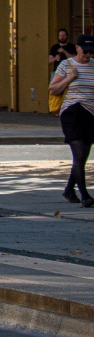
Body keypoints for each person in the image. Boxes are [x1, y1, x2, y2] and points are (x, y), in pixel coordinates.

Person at [49, 33, 94, 207]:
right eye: (85, 51)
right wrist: (70, 77)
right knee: (79, 152)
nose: (88, 55)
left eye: (91, 52)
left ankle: (69, 190)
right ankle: (85, 196)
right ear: (77, 48)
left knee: (83, 156)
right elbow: (53, 89)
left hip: (90, 114)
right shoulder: (66, 65)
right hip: (72, 112)